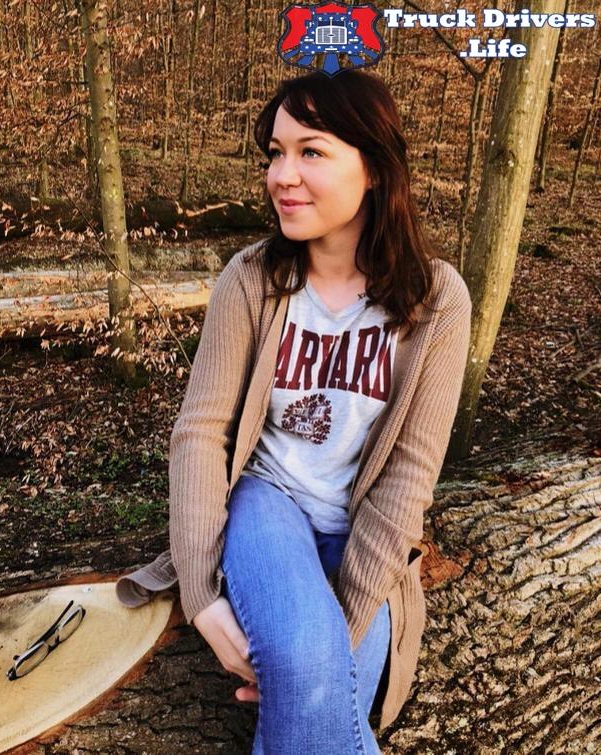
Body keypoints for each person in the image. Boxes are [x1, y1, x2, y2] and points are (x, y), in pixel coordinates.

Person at [116, 68, 471, 754]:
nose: (282, 175)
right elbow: (200, 434)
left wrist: (330, 644)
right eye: (275, 153)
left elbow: (408, 475)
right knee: (310, 671)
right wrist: (202, 596)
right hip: (267, 504)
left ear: (374, 168)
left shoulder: (436, 300)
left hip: (360, 527)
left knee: (316, 686)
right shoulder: (252, 279)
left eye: (311, 151)